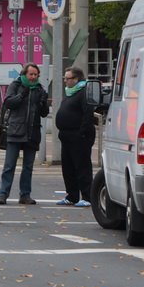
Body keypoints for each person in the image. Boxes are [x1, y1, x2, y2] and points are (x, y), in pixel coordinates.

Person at [0, 63, 49, 205]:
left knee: (28, 167)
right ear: (24, 74)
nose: (33, 77)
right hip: (15, 130)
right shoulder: (15, 85)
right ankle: (3, 194)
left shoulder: (39, 89)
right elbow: (8, 103)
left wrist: (44, 103)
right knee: (9, 165)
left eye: (35, 75)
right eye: (30, 74)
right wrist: (22, 95)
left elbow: (44, 113)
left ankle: (25, 195)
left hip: (32, 132)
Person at [55, 67, 95, 207]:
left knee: (82, 166)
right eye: (65, 78)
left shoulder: (83, 92)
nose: (65, 81)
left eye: (68, 78)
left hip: (78, 135)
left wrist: (82, 132)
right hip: (66, 135)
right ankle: (72, 195)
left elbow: (87, 114)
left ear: (76, 79)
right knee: (68, 167)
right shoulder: (70, 92)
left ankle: (87, 196)